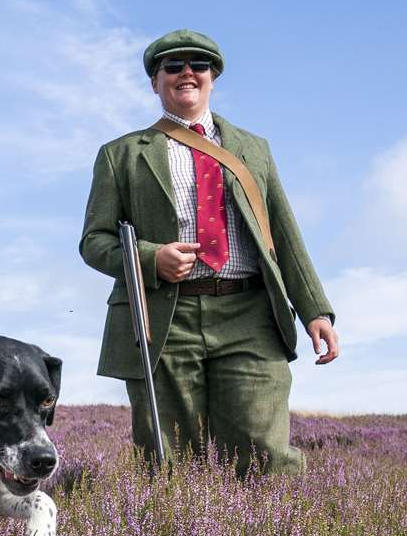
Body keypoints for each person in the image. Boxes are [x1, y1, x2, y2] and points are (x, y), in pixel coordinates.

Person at [80, 29, 338, 476]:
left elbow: (283, 232)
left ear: (212, 77)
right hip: (164, 316)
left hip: (250, 313)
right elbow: (95, 240)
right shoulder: (119, 155)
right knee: (170, 460)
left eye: (197, 65)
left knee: (265, 454)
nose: (186, 73)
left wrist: (314, 308)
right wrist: (150, 257)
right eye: (172, 67)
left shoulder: (253, 149)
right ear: (154, 81)